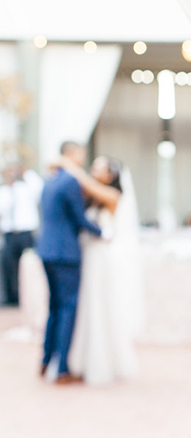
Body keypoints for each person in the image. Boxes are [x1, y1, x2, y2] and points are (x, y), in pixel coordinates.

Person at [61, 155, 142, 385]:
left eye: (99, 168)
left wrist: (70, 166)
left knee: (99, 305)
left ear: (111, 175)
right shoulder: (89, 197)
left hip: (100, 260)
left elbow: (88, 185)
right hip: (86, 257)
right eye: (93, 167)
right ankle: (80, 361)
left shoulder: (112, 196)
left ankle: (102, 361)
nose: (94, 171)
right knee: (85, 307)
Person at [38, 141, 103, 384]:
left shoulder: (50, 179)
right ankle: (62, 367)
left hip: (46, 249)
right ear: (72, 154)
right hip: (65, 253)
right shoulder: (70, 181)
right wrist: (103, 232)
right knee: (67, 307)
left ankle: (46, 361)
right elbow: (79, 218)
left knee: (54, 307)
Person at [0, 163, 44, 306]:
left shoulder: (26, 189)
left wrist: (25, 172)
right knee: (9, 267)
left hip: (26, 234)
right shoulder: (3, 192)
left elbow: (39, 188)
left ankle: (30, 296)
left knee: (29, 264)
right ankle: (14, 299)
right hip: (9, 234)